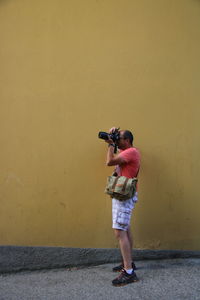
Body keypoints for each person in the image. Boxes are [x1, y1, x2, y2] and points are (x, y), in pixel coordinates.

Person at [105, 127, 140, 286]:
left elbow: (109, 162)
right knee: (125, 228)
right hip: (123, 195)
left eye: (119, 138)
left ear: (127, 140)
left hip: (124, 196)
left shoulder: (131, 152)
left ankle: (129, 272)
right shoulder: (128, 153)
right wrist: (111, 140)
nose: (117, 140)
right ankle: (128, 263)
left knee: (119, 231)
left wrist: (110, 145)